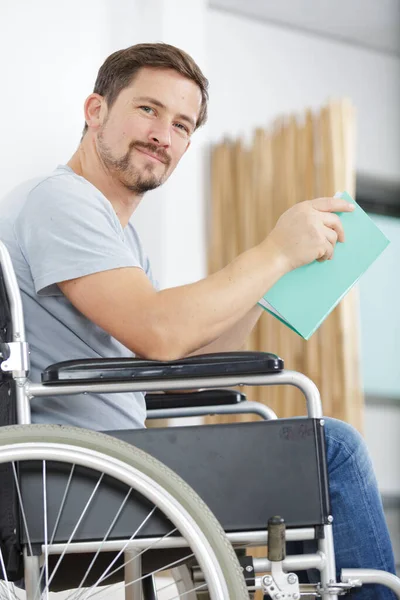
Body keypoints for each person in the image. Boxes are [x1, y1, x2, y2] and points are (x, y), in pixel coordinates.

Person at [0, 43, 396, 598]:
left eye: (182, 124)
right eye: (148, 109)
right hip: (88, 479)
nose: (164, 133)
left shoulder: (119, 235)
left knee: (316, 459)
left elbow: (189, 365)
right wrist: (274, 251)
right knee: (332, 450)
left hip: (112, 470)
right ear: (95, 110)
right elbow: (161, 332)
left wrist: (272, 280)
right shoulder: (61, 202)